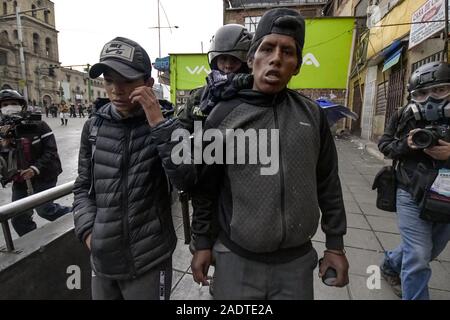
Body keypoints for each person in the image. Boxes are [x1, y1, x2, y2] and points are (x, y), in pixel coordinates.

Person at [190, 8, 349, 300]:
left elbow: (328, 182)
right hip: (236, 261)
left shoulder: (312, 115)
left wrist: (335, 245)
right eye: (267, 48)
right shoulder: (222, 116)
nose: (276, 58)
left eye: (287, 52)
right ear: (251, 60)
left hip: (297, 264)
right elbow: (205, 189)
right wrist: (202, 242)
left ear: (298, 65)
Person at [72, 37, 193, 300]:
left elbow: (187, 180)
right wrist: (88, 231)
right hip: (103, 260)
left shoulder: (170, 126)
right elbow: (83, 186)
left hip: (150, 259)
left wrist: (158, 122)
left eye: (127, 81)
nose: (117, 90)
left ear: (148, 84)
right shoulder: (93, 128)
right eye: (109, 81)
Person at [378, 61, 450, 300]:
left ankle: (390, 263)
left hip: (446, 195)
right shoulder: (403, 117)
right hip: (410, 190)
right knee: (419, 255)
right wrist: (406, 145)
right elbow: (385, 145)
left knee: (428, 250)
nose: (430, 99)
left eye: (439, 90)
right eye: (420, 94)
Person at [0, 89, 71, 236]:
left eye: (13, 103)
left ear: (22, 105)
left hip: (44, 174)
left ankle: (76, 216)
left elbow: (51, 152)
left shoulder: (38, 125)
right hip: (20, 179)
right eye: (5, 104)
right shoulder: (2, 131)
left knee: (45, 209)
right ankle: (33, 245)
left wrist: (34, 169)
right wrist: (5, 144)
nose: (9, 107)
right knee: (18, 217)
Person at [177, 24, 253, 132]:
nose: (227, 65)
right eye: (223, 59)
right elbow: (178, 132)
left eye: (234, 60)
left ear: (246, 62)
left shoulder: (255, 95)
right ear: (214, 61)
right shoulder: (200, 96)